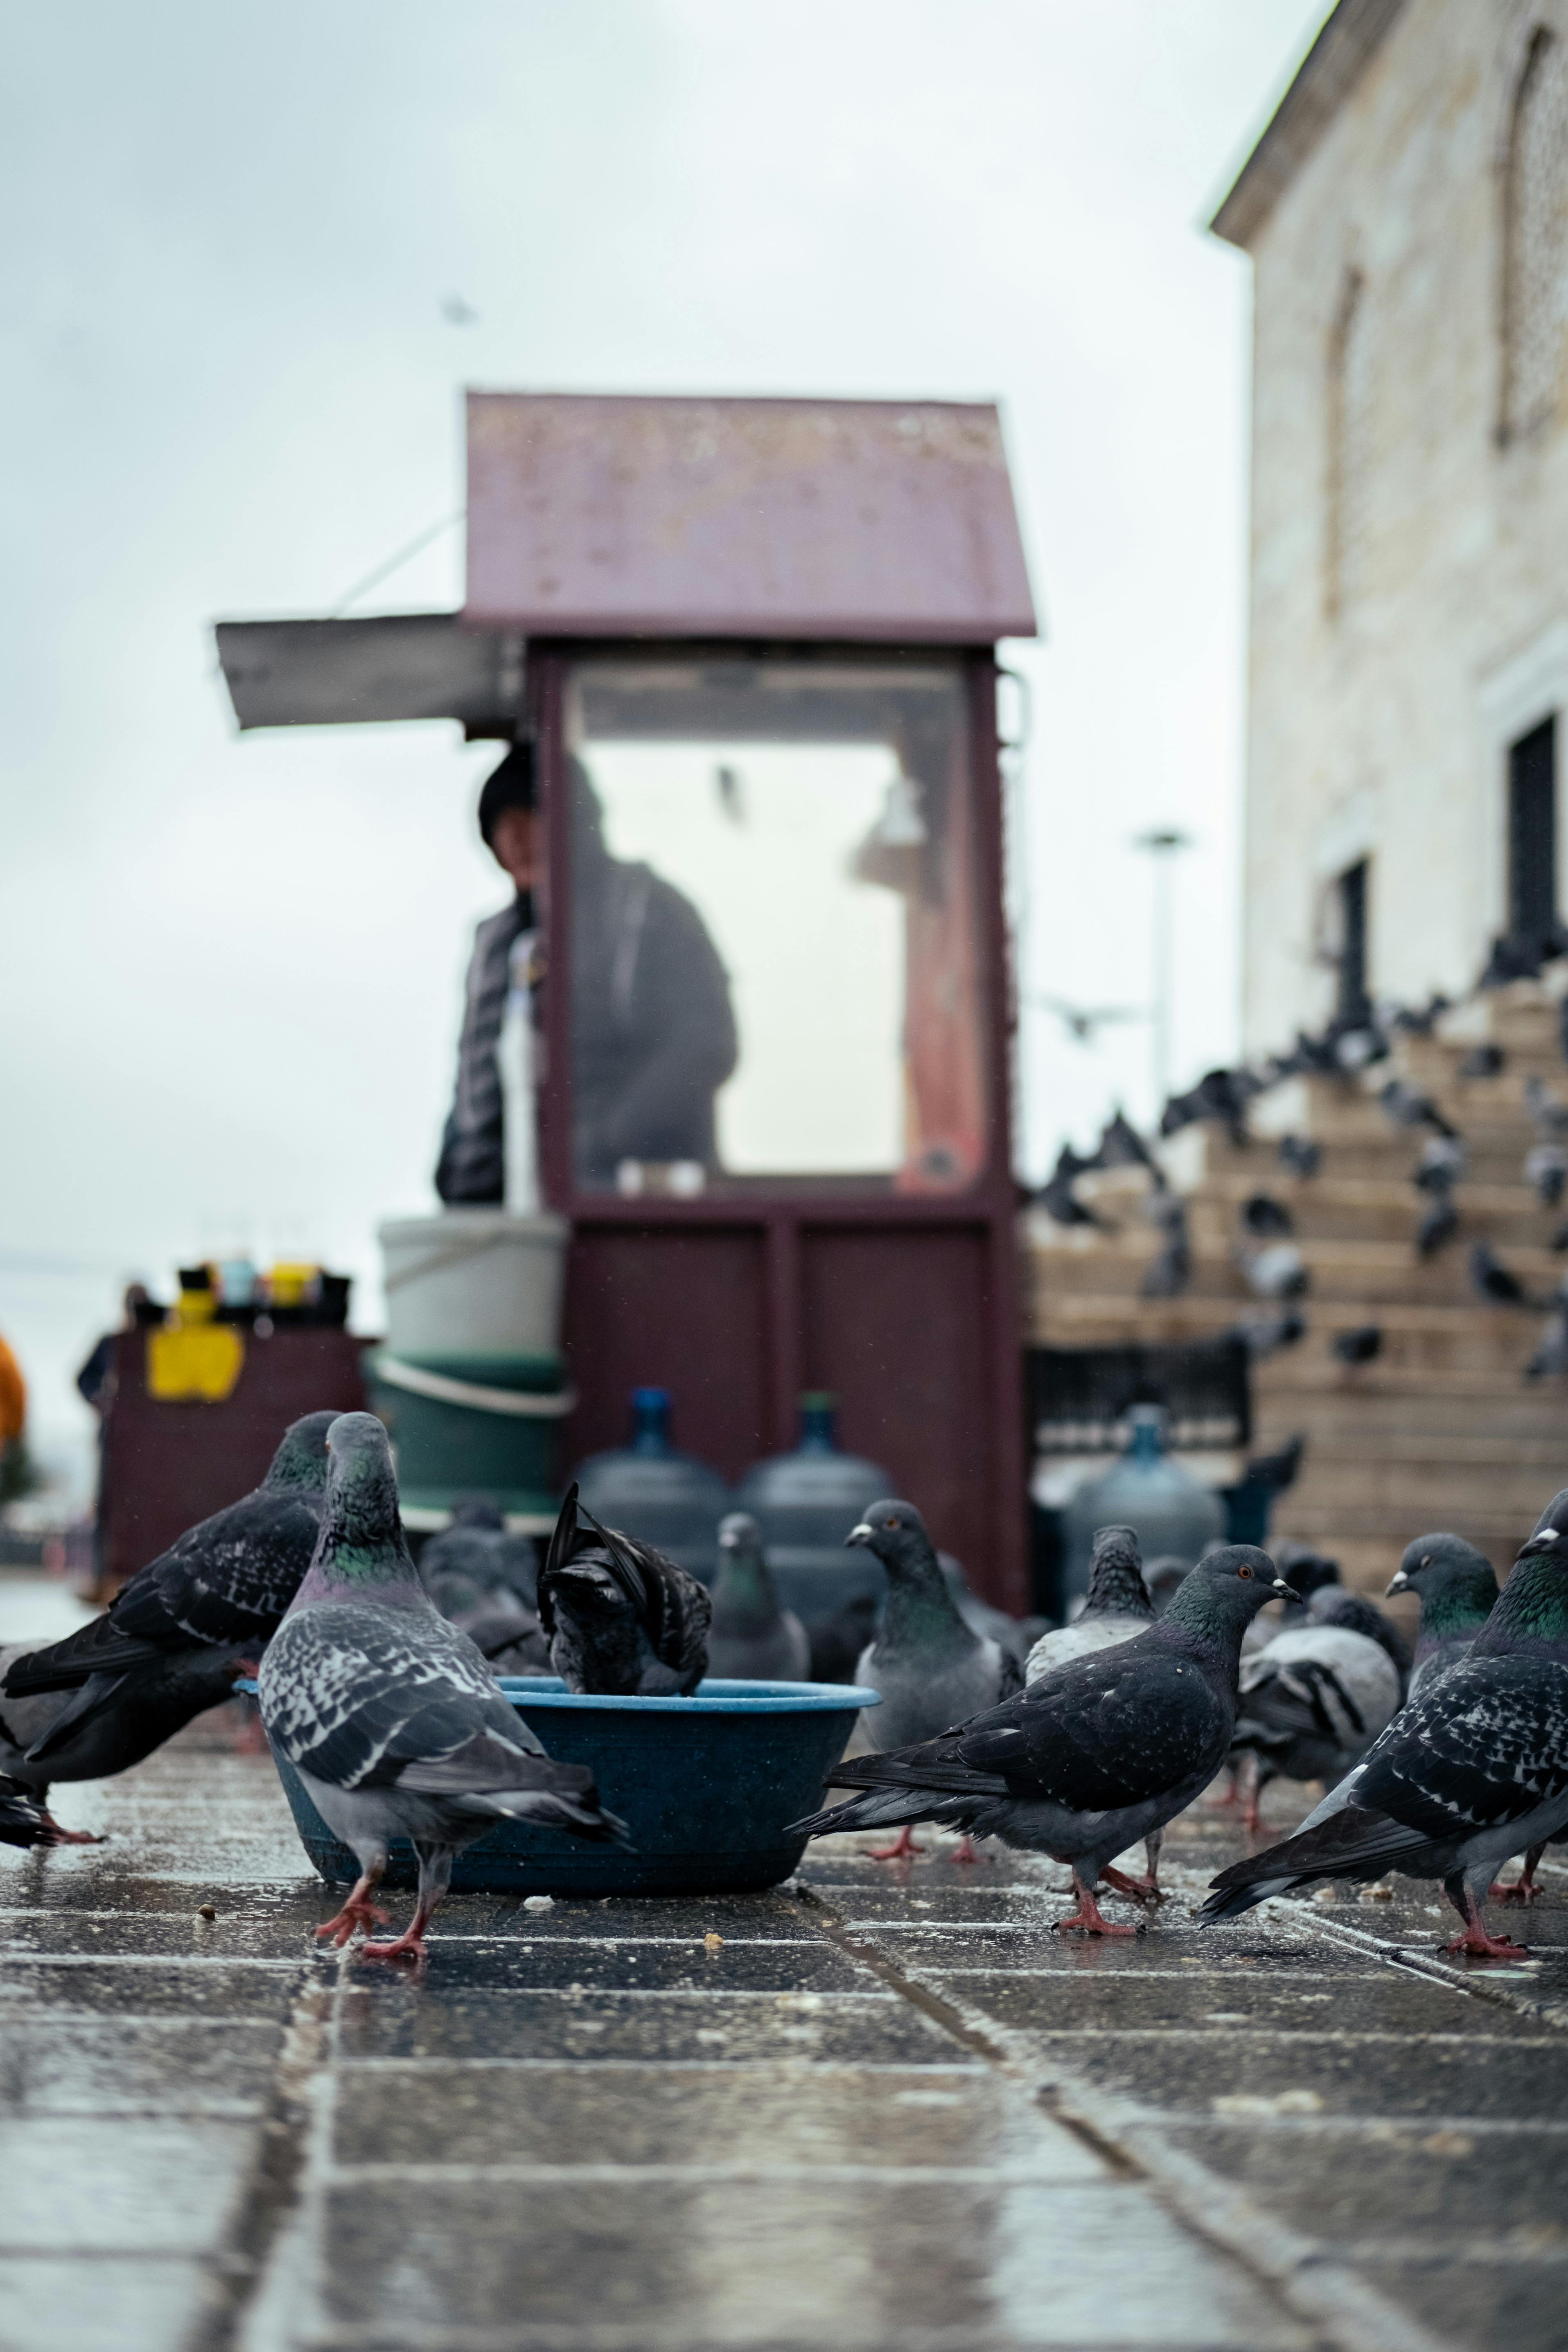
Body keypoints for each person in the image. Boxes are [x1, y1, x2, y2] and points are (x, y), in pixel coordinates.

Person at [436, 741, 738, 1201]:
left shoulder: (646, 910)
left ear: (571, 819)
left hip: (635, 1209)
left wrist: (601, 1143)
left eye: (525, 818)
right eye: (499, 827)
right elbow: (474, 1081)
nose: (512, 840)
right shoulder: (495, 943)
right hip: (512, 1214)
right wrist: (459, 1181)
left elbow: (707, 1043)